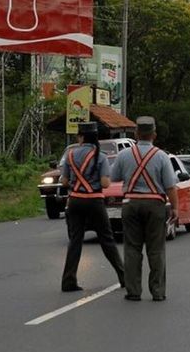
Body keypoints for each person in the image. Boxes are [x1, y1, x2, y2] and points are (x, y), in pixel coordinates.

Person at [111, 117, 179, 301]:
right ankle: (157, 292)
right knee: (156, 249)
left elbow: (113, 177)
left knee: (132, 249)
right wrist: (175, 208)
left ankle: (133, 291)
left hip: (131, 205)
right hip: (155, 206)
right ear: (154, 135)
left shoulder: (124, 155)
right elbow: (170, 186)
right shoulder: (162, 156)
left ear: (136, 134)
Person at [60, 122, 125, 292]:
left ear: (81, 137)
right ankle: (123, 276)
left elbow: (65, 181)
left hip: (74, 201)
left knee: (75, 240)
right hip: (94, 201)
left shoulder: (71, 155)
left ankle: (68, 280)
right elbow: (105, 183)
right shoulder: (100, 156)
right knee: (107, 239)